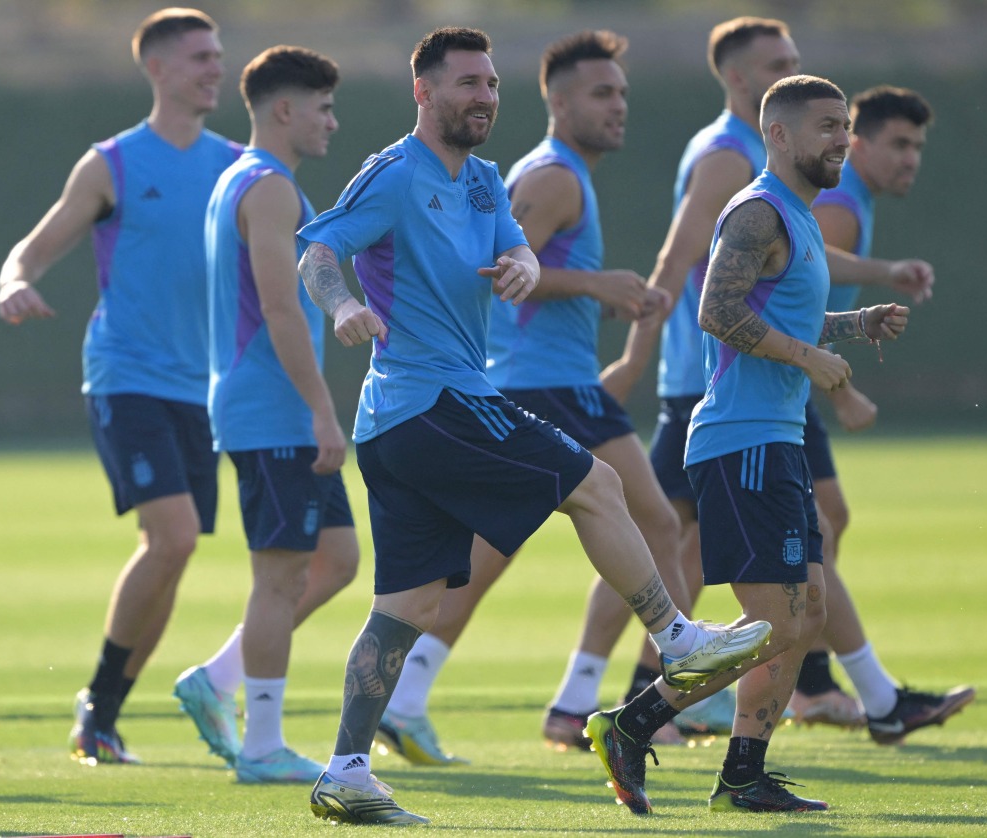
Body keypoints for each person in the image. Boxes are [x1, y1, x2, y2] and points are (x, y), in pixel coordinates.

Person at [295, 27, 773, 826]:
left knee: (406, 609)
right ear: (423, 92)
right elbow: (317, 251)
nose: (484, 96)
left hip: (406, 422)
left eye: (490, 84)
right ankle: (677, 640)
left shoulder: (486, 181)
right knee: (598, 485)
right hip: (430, 400)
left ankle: (346, 770)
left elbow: (517, 252)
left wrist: (521, 266)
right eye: (466, 84)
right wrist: (343, 304)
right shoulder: (393, 172)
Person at [585, 74, 911, 814]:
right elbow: (717, 310)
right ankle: (632, 724)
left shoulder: (799, 216)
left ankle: (741, 774)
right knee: (779, 619)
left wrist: (855, 325)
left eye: (845, 126)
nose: (842, 139)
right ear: (779, 135)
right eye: (827, 126)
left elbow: (783, 315)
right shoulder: (759, 210)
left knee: (806, 613)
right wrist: (808, 359)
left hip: (777, 440)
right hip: (742, 443)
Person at [372, 29, 686, 764]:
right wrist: (597, 285)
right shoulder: (553, 177)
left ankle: (417, 697)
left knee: (491, 553)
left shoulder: (556, 174)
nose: (618, 106)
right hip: (547, 382)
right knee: (655, 525)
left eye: (622, 93)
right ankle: (622, 698)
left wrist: (598, 298)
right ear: (559, 103)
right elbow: (496, 270)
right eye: (602, 94)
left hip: (546, 378)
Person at [0, 8, 241, 765]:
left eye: (218, 55)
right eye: (199, 57)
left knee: (174, 551)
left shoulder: (239, 165)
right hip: (127, 375)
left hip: (203, 391)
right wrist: (14, 281)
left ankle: (101, 715)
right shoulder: (113, 163)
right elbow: (33, 249)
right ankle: (98, 708)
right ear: (157, 69)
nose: (215, 68)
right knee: (171, 537)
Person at [171, 44, 361, 785]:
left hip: (264, 406)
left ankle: (216, 679)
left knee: (337, 559)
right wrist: (321, 411)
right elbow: (282, 309)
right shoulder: (272, 188)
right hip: (273, 411)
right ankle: (262, 746)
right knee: (279, 578)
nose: (332, 122)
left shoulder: (241, 179)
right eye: (324, 108)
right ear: (285, 109)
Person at [790, 85, 975, 737]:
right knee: (782, 542)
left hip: (786, 389)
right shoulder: (839, 205)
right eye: (898, 144)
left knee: (824, 524)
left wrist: (885, 272)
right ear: (859, 145)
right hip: (765, 391)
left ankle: (813, 682)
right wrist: (843, 392)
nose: (910, 158)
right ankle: (658, 691)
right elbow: (795, 304)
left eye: (917, 146)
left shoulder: (850, 201)